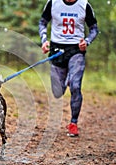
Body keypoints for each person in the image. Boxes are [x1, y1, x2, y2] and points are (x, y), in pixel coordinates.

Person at [39, 0, 99, 137]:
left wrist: (87, 41)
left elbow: (94, 28)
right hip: (56, 50)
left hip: (75, 50)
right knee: (57, 92)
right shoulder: (53, 3)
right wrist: (44, 40)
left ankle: (73, 123)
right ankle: (67, 79)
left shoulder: (84, 5)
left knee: (76, 86)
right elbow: (43, 22)